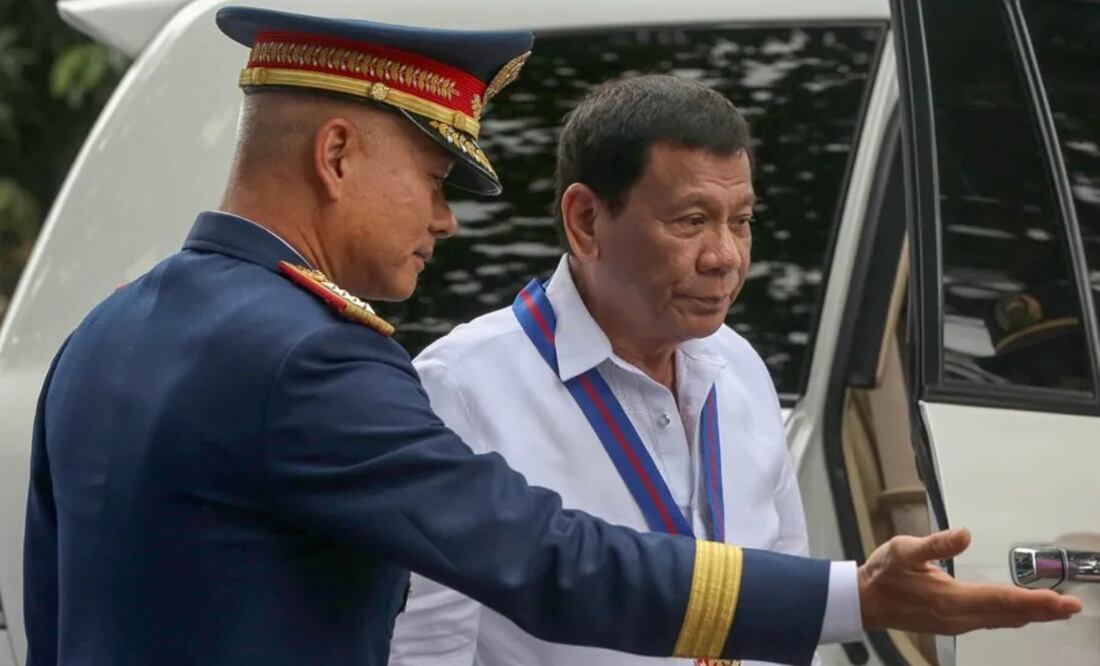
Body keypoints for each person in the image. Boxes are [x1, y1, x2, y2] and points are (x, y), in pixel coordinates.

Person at [22, 7, 1080, 666]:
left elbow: (53, 612)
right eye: (435, 181)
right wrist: (853, 595)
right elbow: (543, 558)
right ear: (336, 151)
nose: (444, 220)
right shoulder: (311, 355)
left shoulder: (106, 334)